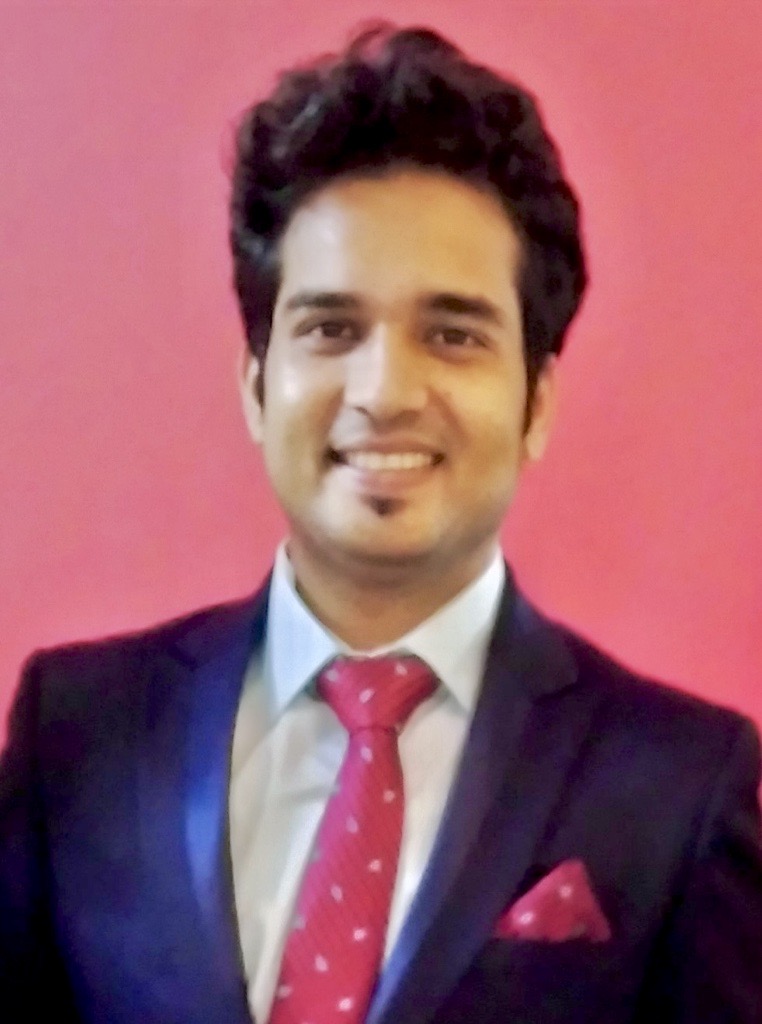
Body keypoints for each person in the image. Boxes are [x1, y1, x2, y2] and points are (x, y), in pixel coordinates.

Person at [1, 23, 760, 1024]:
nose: (385, 391)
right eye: (331, 328)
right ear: (256, 385)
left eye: (451, 334)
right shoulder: (79, 733)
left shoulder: (679, 783)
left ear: (536, 401)